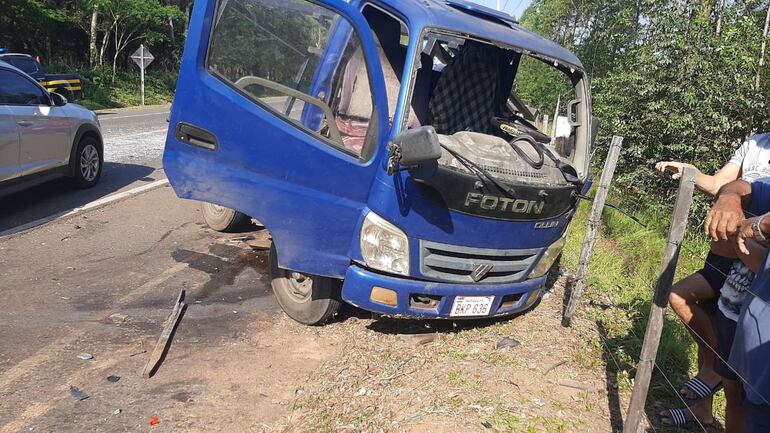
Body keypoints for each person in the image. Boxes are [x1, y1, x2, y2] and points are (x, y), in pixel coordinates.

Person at [657, 133, 770, 427]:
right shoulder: (755, 143)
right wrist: (691, 173)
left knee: (731, 335)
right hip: (728, 249)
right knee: (711, 313)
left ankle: (716, 373)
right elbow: (721, 183)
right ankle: (705, 403)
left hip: (754, 257)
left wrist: (754, 227)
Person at [706, 178, 770, 433]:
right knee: (738, 403)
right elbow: (746, 186)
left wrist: (759, 224)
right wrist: (730, 197)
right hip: (753, 355)